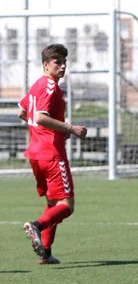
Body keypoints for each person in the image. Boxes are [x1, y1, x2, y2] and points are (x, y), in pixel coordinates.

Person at [17, 44, 88, 264]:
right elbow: (39, 117)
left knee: (53, 203)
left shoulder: (36, 85)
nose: (63, 65)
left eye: (65, 61)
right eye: (57, 62)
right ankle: (36, 226)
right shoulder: (50, 86)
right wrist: (70, 128)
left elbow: (22, 112)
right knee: (67, 205)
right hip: (52, 154)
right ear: (46, 64)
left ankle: (45, 253)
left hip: (36, 155)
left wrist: (51, 129)